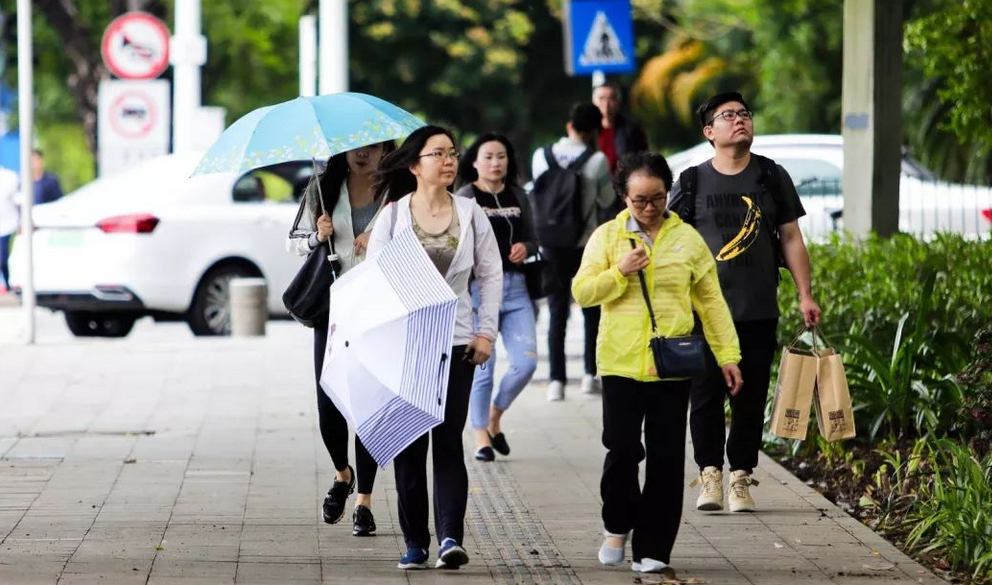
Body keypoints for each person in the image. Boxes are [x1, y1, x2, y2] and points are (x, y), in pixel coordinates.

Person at [572, 151, 742, 574]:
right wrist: (619, 272)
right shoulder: (607, 237)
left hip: (672, 363)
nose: (649, 208)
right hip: (620, 362)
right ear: (623, 196)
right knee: (622, 449)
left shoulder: (688, 240)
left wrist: (728, 356)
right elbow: (582, 292)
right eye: (640, 200)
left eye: (658, 198)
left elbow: (711, 302)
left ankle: (653, 548)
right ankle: (617, 524)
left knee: (666, 458)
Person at [667, 92, 821, 513]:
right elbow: (671, 242)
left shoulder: (771, 175)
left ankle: (740, 477)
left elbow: (791, 238)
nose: (740, 120)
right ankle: (710, 475)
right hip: (703, 313)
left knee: (750, 397)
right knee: (704, 395)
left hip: (757, 308)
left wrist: (805, 294)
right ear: (709, 131)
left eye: (744, 114)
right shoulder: (691, 181)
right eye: (728, 115)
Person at [366, 125, 502, 571]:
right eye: (438, 153)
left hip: (458, 342)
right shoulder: (392, 217)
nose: (449, 161)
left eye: (452, 153)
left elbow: (491, 275)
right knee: (409, 447)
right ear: (414, 165)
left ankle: (450, 538)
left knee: (447, 442)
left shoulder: (471, 213)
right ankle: (414, 543)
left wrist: (486, 333)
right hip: (406, 345)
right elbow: (376, 283)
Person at [286, 141, 395, 537]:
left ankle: (364, 501)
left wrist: (381, 238)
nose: (362, 154)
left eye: (372, 147)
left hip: (379, 310)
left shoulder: (398, 190)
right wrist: (318, 236)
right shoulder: (323, 187)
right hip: (332, 309)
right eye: (355, 147)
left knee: (368, 405)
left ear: (385, 150)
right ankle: (342, 473)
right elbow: (293, 244)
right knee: (328, 399)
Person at [455, 133, 538, 462]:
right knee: (482, 368)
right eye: (488, 156)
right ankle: (480, 435)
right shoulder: (465, 197)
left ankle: (494, 416)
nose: (495, 162)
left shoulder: (519, 195)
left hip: (516, 287)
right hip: (478, 290)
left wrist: (526, 248)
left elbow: (534, 238)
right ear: (475, 162)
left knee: (526, 363)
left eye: (501, 156)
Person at [531, 102, 613, 401]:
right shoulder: (597, 160)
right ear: (595, 131)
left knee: (557, 312)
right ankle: (590, 375)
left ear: (569, 126)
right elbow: (606, 200)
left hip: (550, 244)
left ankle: (556, 381)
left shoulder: (541, 156)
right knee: (591, 310)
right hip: (584, 245)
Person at [592, 81, 649, 172]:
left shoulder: (632, 130)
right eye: (601, 98)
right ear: (593, 101)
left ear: (618, 102)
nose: (606, 104)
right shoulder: (587, 130)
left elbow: (644, 160)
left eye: (611, 99)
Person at [0, 167, 19, 292]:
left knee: (3, 259)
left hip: (8, 226)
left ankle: (8, 284)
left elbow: (19, 200)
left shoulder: (9, 177)